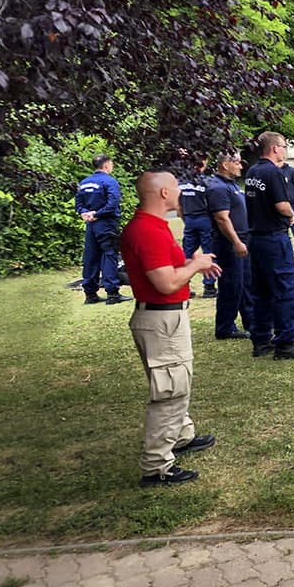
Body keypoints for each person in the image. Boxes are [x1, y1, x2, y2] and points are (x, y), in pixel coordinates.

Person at [120, 171, 220, 487]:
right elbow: (164, 283)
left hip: (165, 319)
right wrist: (196, 265)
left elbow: (167, 270)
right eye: (176, 187)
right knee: (169, 391)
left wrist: (191, 264)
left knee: (176, 383)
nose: (180, 193)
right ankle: (156, 466)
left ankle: (180, 436)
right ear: (164, 192)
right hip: (161, 322)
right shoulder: (147, 231)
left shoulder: (153, 226)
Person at [244, 132, 294, 359]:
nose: (285, 150)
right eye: (283, 146)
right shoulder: (273, 172)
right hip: (274, 238)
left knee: (261, 291)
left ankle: (261, 340)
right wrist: (291, 214)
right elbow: (281, 204)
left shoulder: (252, 172)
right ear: (275, 148)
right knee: (285, 290)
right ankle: (285, 342)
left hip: (255, 238)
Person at [206, 152, 252, 340]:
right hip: (229, 243)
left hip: (243, 239)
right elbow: (222, 218)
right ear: (225, 165)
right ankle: (225, 327)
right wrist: (236, 242)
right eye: (237, 162)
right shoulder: (218, 188)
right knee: (231, 284)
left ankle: (251, 321)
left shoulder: (231, 185)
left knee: (245, 284)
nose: (241, 166)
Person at [76, 153, 132, 304]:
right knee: (109, 254)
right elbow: (112, 204)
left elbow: (79, 204)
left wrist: (86, 214)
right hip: (106, 223)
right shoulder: (109, 182)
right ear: (106, 165)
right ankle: (112, 293)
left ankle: (90, 294)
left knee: (91, 257)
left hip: (91, 224)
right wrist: (97, 214)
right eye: (111, 164)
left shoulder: (84, 183)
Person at [178, 156, 218, 298]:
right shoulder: (207, 181)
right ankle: (209, 287)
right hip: (205, 219)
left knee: (186, 254)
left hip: (189, 219)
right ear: (204, 163)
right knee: (209, 253)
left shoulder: (181, 181)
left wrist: (185, 219)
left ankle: (183, 285)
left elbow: (178, 206)